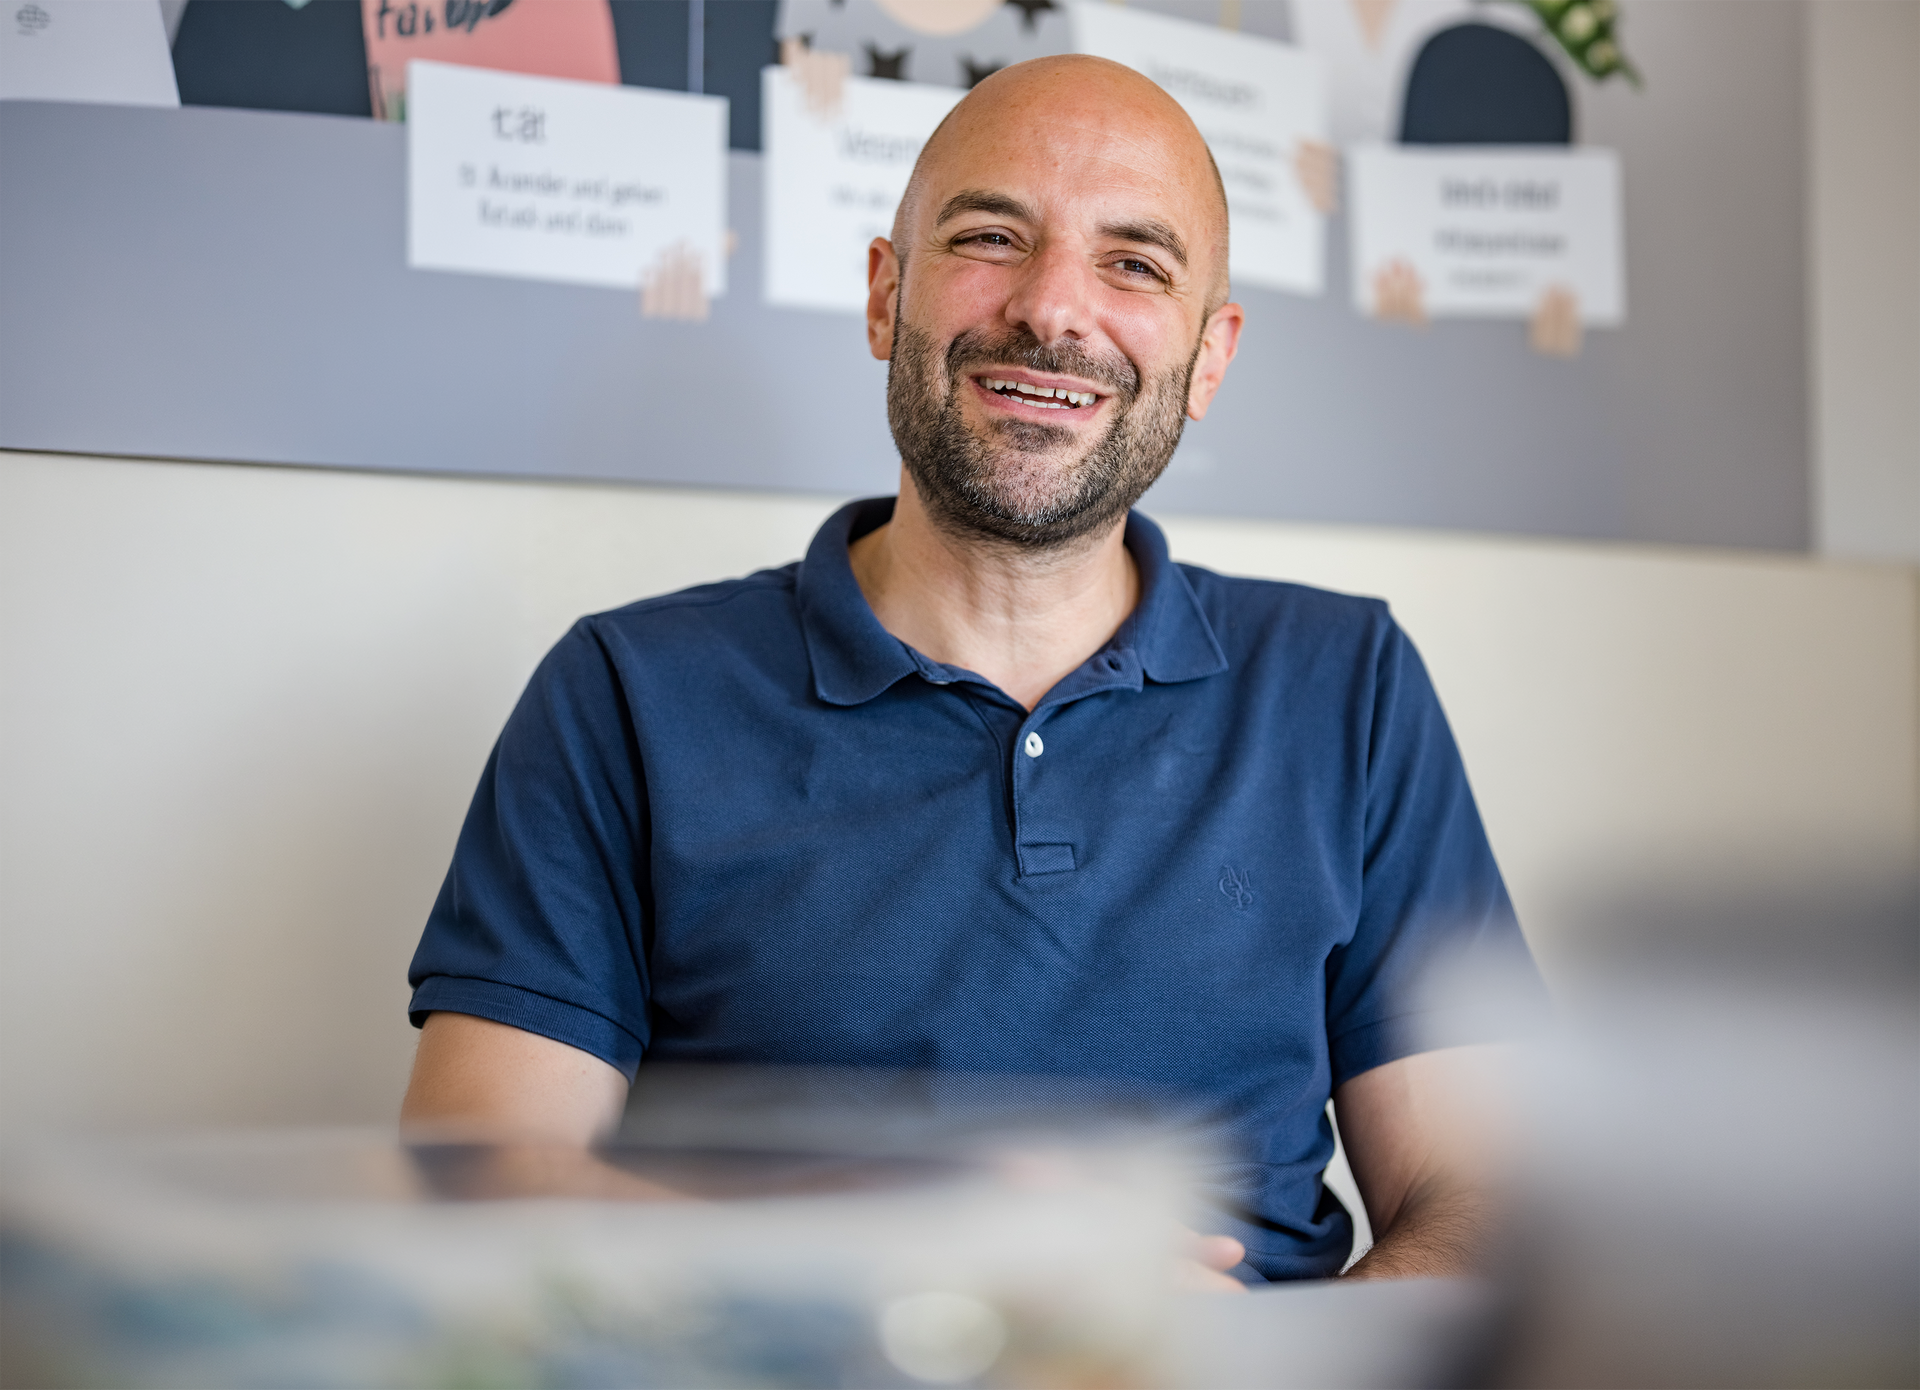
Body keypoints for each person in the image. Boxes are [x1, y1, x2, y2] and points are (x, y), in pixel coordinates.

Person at [401, 54, 1539, 1286]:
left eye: (1134, 263)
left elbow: (1487, 1204)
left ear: (1211, 358)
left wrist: (1267, 1358)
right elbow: (478, 1178)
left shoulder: (1349, 686)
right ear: (886, 296)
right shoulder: (623, 692)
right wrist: (909, 1269)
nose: (1052, 310)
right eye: (992, 237)